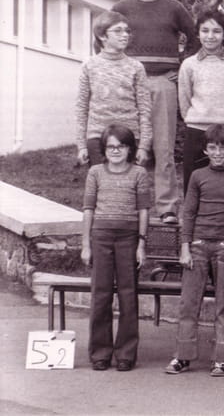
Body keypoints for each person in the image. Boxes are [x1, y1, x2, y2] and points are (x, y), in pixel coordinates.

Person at [112, 0, 195, 225]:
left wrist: (182, 67)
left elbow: (195, 37)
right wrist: (119, 69)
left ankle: (167, 207)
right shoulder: (122, 8)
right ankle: (126, 202)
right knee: (126, 143)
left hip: (163, 82)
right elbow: (103, 39)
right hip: (130, 84)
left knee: (163, 147)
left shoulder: (174, 8)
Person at [164, 124, 224, 377]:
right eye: (212, 147)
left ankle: (221, 359)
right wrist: (185, 248)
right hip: (198, 246)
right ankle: (183, 356)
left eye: (223, 148)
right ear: (205, 149)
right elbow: (189, 212)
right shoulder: (197, 176)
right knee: (188, 304)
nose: (217, 153)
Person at [81, 124, 150, 371]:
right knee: (101, 295)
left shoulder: (139, 173)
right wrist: (86, 244)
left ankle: (126, 354)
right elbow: (88, 209)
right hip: (101, 237)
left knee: (128, 295)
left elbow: (143, 210)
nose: (116, 151)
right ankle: (100, 353)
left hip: (128, 238)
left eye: (121, 146)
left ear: (130, 149)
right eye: (110, 147)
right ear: (104, 149)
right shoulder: (95, 173)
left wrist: (141, 243)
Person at [178, 11, 224, 190]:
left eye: (216, 31)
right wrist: (196, 118)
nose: (210, 36)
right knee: (194, 183)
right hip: (197, 131)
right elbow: (184, 99)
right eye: (205, 30)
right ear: (198, 33)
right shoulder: (189, 64)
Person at [75, 11, 151, 167]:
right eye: (118, 31)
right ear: (102, 36)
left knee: (127, 181)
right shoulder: (89, 66)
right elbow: (81, 107)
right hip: (97, 137)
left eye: (127, 31)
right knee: (101, 180)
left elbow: (145, 108)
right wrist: (81, 145)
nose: (125, 35)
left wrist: (144, 146)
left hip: (129, 136)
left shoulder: (136, 67)